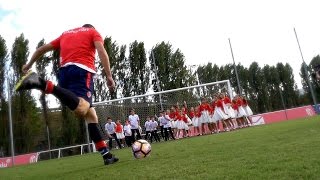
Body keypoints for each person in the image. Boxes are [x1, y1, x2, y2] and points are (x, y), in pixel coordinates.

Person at [15, 24, 118, 165]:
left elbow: (41, 49)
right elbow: (101, 50)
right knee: (82, 109)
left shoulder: (66, 34)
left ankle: (106, 155)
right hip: (82, 71)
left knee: (90, 114)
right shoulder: (93, 32)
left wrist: (28, 65)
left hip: (64, 73)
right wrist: (109, 75)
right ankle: (42, 83)